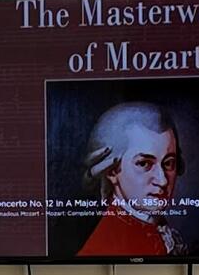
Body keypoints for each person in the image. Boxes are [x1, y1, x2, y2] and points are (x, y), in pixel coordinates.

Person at [75, 99, 189, 258]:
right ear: (112, 171)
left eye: (169, 163)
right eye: (144, 164)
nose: (162, 180)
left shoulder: (158, 227)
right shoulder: (101, 247)